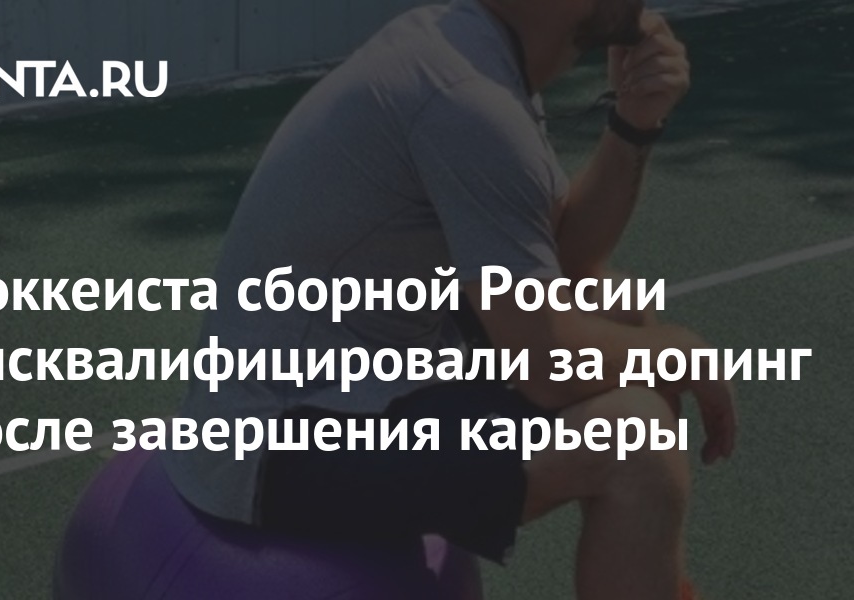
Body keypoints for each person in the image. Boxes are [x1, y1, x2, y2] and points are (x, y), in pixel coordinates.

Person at [162, 0, 738, 598]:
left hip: (351, 378)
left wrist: (634, 123)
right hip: (276, 442)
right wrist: (683, 351)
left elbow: (559, 257)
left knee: (614, 305)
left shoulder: (476, 52)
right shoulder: (469, 99)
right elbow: (544, 366)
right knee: (636, 442)